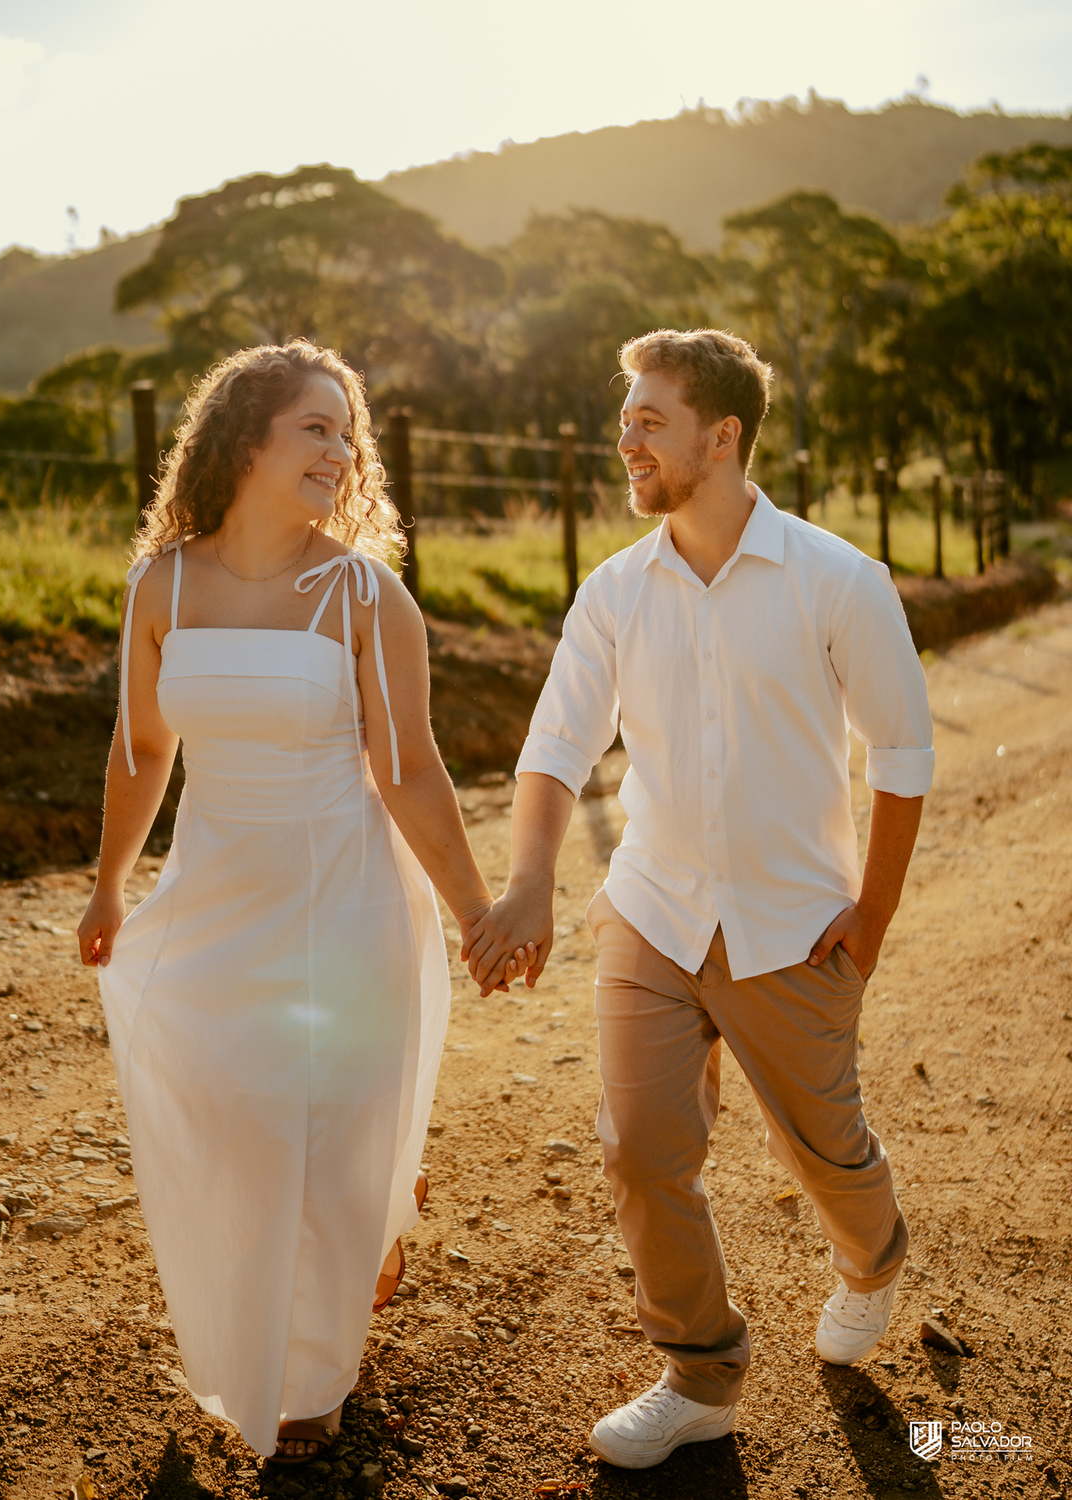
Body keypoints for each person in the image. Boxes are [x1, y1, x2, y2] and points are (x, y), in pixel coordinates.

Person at [463, 328, 933, 1470]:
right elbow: (554, 748)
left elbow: (903, 754)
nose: (626, 438)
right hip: (654, 913)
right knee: (640, 1148)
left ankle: (872, 1259)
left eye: (650, 418)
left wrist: (869, 917)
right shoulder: (615, 591)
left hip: (793, 923)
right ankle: (701, 1373)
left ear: (721, 437)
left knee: (824, 1152)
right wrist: (530, 884)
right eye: (624, 417)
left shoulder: (838, 579)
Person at [77, 341, 533, 1467]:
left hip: (345, 898)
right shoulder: (163, 585)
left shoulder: (364, 594)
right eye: (314, 429)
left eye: (348, 433)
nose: (341, 452)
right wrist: (107, 884)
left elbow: (411, 770)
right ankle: (369, 1229)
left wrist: (475, 908)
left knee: (325, 1139)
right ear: (244, 441)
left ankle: (312, 1386)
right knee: (236, 1119)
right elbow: (141, 752)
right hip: (218, 894)